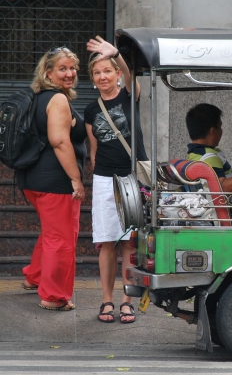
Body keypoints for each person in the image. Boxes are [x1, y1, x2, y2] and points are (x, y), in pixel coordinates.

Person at [18, 47, 87, 311]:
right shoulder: (57, 100)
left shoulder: (36, 97)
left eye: (73, 69)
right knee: (61, 238)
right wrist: (76, 179)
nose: (69, 74)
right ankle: (54, 296)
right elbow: (59, 142)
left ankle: (34, 277)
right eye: (63, 69)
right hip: (55, 183)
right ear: (48, 73)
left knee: (52, 233)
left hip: (32, 180)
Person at [84, 36, 146, 324]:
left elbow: (133, 78)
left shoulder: (128, 95)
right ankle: (107, 300)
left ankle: (127, 300)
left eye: (107, 70)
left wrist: (115, 53)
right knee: (107, 241)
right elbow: (93, 149)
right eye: (97, 73)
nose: (103, 76)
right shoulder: (91, 109)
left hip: (131, 176)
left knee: (129, 243)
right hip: (104, 179)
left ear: (117, 74)